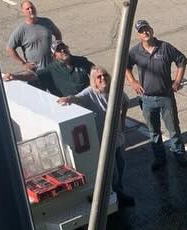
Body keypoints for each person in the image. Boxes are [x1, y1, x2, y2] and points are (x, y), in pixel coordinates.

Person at [58, 64, 136, 206]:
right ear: (93, 80)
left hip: (118, 138)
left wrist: (122, 121)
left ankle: (118, 190)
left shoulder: (115, 89)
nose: (102, 78)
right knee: (112, 171)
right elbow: (77, 98)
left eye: (104, 75)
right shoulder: (89, 93)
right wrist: (68, 99)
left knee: (121, 165)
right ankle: (117, 197)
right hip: (103, 141)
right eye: (99, 77)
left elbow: (125, 102)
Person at [126, 19, 187, 170]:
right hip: (147, 99)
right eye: (141, 31)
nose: (145, 32)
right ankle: (159, 158)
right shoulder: (135, 52)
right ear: (138, 35)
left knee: (173, 129)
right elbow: (126, 66)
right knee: (154, 132)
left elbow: (181, 61)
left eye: (147, 29)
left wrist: (177, 81)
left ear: (152, 30)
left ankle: (180, 156)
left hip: (166, 97)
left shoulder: (165, 47)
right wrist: (133, 81)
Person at [3, 0, 63, 83]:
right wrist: (23, 63)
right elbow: (9, 48)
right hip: (35, 72)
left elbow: (57, 33)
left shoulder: (46, 22)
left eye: (32, 7)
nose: (31, 10)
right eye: (27, 9)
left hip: (52, 67)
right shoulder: (21, 30)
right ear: (23, 12)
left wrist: (57, 50)